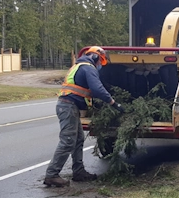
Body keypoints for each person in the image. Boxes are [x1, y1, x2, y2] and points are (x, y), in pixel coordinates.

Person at [44, 46, 124, 187]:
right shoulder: (88, 68)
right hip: (68, 107)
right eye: (100, 62)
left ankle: (79, 172)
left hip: (69, 106)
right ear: (95, 57)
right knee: (68, 140)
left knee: (78, 139)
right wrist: (113, 103)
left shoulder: (79, 66)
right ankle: (52, 174)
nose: (100, 65)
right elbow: (97, 89)